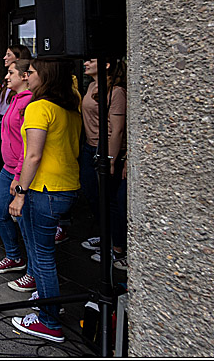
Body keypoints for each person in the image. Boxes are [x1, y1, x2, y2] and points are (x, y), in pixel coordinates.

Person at [8, 57, 82, 343]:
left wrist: (21, 192)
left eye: (33, 72)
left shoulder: (39, 107)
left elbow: (34, 155)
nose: (28, 75)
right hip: (66, 187)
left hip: (44, 190)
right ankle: (48, 302)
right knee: (44, 254)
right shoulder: (69, 109)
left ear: (46, 77)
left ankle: (49, 321)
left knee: (42, 257)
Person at [79, 58, 128, 270]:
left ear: (106, 63)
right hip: (90, 147)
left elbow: (117, 130)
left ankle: (117, 248)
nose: (85, 63)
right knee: (92, 195)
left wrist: (110, 159)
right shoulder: (91, 86)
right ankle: (105, 236)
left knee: (110, 199)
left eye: (91, 59)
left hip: (106, 149)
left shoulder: (116, 92)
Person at [0, 58, 32, 275]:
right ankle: (14, 256)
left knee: (25, 222)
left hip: (19, 170)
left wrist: (19, 174)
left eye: (11, 73)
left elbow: (28, 143)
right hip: (8, 166)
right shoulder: (14, 98)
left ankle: (33, 271)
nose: (6, 76)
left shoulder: (29, 102)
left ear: (25, 77)